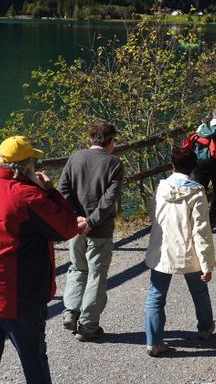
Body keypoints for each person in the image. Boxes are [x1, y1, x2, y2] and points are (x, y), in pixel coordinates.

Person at [0, 136, 86, 384]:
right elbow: (66, 228)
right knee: (34, 363)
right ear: (24, 167)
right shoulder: (27, 196)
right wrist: (50, 191)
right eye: (34, 161)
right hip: (20, 298)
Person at [143, 147, 216, 357]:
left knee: (156, 296)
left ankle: (154, 341)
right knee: (199, 290)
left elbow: (154, 215)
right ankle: (205, 328)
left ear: (172, 165)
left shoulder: (161, 187)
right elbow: (201, 230)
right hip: (188, 250)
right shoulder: (197, 191)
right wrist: (206, 263)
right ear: (193, 166)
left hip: (162, 249)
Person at [59, 122, 124, 342]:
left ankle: (71, 311)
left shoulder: (74, 158)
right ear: (111, 141)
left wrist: (76, 218)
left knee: (77, 268)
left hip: (75, 229)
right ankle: (88, 326)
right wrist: (92, 222)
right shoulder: (114, 164)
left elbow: (63, 191)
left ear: (92, 139)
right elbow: (109, 199)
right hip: (100, 230)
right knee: (96, 275)